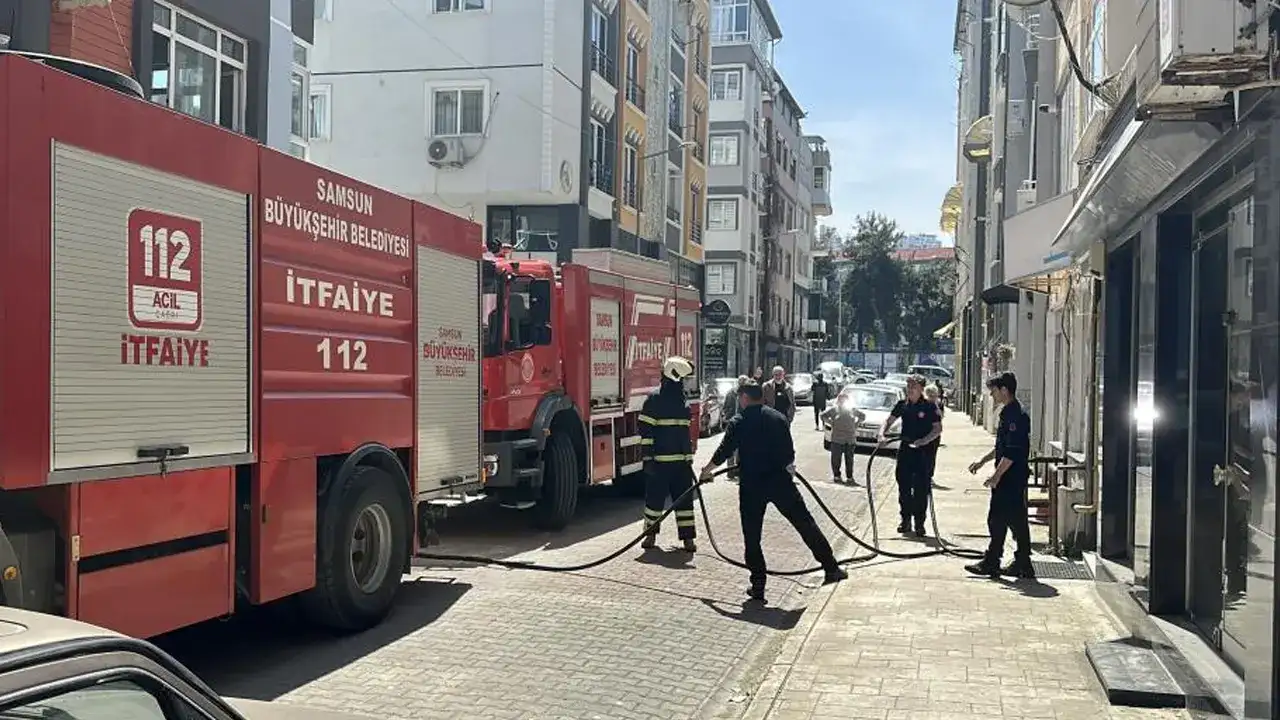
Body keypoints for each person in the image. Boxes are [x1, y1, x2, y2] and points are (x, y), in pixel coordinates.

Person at [699, 383, 847, 601]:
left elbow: (724, 450)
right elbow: (789, 452)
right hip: (780, 482)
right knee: (805, 523)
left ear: (745, 398)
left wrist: (706, 471)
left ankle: (758, 586)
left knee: (752, 536)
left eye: (740, 398)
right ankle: (831, 567)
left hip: (752, 485)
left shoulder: (739, 422)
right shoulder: (778, 418)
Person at [964, 372, 1035, 579]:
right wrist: (983, 461)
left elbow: (1012, 452)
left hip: (1011, 478)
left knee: (998, 519)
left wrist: (996, 477)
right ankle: (1022, 562)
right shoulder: (1007, 413)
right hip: (1011, 477)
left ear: (1004, 390)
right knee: (1015, 520)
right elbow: (1001, 447)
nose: (992, 396)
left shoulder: (1015, 416)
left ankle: (993, 561)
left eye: (994, 391)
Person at [638, 356, 699, 552]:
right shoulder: (658, 400)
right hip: (662, 462)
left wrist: (688, 458)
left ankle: (686, 538)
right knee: (658, 502)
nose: (683, 383)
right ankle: (651, 535)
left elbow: (683, 434)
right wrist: (648, 458)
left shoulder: (679, 401)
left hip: (676, 463)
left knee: (682, 503)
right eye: (682, 379)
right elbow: (646, 432)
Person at [878, 375, 942, 538]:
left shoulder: (929, 406)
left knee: (921, 490)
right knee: (904, 487)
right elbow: (888, 421)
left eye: (913, 386)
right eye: (908, 386)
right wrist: (881, 434)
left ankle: (919, 523)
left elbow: (937, 429)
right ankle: (905, 520)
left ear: (921, 388)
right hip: (906, 451)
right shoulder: (902, 405)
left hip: (923, 453)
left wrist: (924, 441)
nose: (910, 389)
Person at [822, 388, 863, 484]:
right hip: (837, 438)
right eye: (841, 400)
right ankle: (837, 476)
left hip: (850, 439)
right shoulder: (834, 410)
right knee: (836, 459)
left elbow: (862, 416)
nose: (842, 402)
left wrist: (856, 424)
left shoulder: (852, 410)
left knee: (849, 459)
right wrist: (831, 422)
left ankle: (850, 477)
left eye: (844, 400)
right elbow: (823, 415)